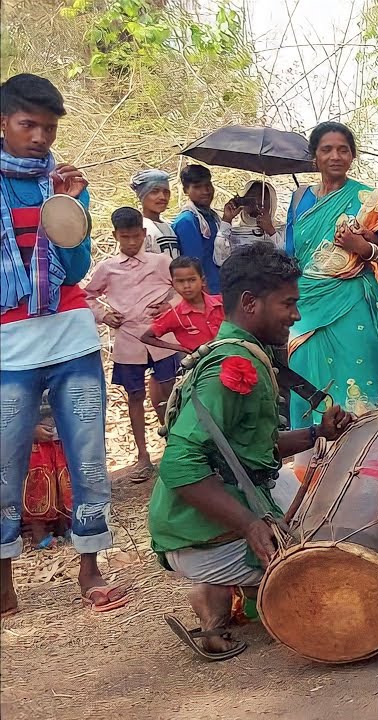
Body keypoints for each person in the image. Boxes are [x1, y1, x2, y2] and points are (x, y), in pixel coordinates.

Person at [150, 243, 354, 660]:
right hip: (197, 531)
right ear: (249, 304)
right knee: (331, 565)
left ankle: (217, 595)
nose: (296, 315)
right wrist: (248, 524)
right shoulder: (230, 368)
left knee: (317, 517)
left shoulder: (249, 355)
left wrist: (317, 432)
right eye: (288, 304)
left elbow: (246, 448)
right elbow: (179, 462)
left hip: (219, 511)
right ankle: (219, 581)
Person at [0, 73, 126, 617]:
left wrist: (73, 205)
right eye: (28, 124)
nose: (40, 137)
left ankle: (90, 568)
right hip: (8, 342)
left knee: (88, 455)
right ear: (3, 122)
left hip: (71, 334)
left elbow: (74, 270)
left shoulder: (63, 184)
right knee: (5, 463)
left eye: (49, 128)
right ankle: (4, 580)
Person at [284, 121, 378, 427]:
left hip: (351, 301)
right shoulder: (298, 198)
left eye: (343, 150)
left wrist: (363, 244)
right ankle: (311, 456)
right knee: (308, 376)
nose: (335, 156)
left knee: (360, 370)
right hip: (306, 303)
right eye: (327, 150)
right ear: (314, 157)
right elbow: (291, 253)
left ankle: (366, 449)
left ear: (352, 155)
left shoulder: (369, 200)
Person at [85, 206, 181, 482]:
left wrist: (168, 305)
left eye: (135, 236)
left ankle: (177, 446)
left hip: (162, 338)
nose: (130, 243)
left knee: (170, 392)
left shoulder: (160, 262)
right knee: (135, 397)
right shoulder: (108, 268)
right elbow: (86, 296)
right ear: (116, 235)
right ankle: (142, 456)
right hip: (128, 341)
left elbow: (182, 286)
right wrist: (104, 315)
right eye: (124, 237)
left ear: (143, 233)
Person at [142, 256, 224, 354]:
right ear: (173, 284)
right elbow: (146, 337)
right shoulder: (175, 315)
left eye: (192, 280)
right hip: (201, 365)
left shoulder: (222, 303)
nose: (186, 286)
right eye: (180, 281)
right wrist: (180, 348)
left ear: (203, 281)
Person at [22, 392, 71, 551]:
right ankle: (38, 534)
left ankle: (64, 526)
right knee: (38, 486)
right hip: (34, 441)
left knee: (64, 481)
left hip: (61, 434)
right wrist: (29, 429)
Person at [172, 163, 223, 293]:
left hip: (221, 288)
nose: (205, 191)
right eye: (197, 187)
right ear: (185, 190)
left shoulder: (212, 217)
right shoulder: (187, 221)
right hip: (207, 293)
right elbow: (194, 265)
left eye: (208, 185)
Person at [213, 180, 282, 266]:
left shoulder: (281, 231)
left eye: (263, 199)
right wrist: (226, 220)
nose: (258, 202)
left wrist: (271, 232)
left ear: (272, 202)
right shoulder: (231, 233)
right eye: (252, 198)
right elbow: (220, 260)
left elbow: (286, 257)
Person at [132, 168, 179, 258]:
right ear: (142, 195)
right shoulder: (140, 229)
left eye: (166, 192)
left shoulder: (169, 227)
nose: (162, 197)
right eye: (154, 192)